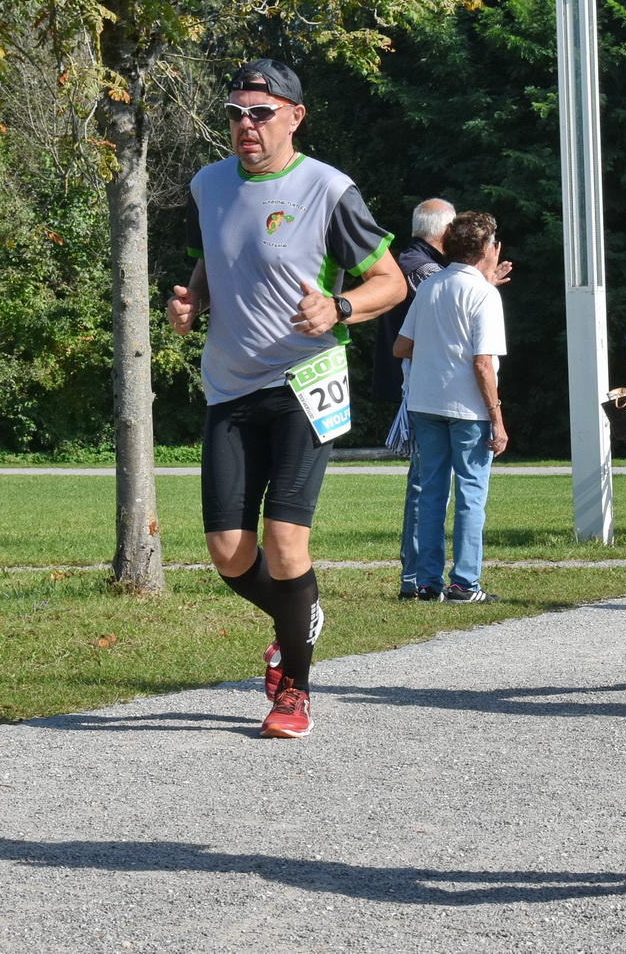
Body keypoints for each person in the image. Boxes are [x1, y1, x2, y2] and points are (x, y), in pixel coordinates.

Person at [167, 58, 407, 738]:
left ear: (295, 117)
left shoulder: (329, 190)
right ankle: (295, 614)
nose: (245, 125)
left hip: (307, 379)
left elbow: (391, 282)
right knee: (227, 551)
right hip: (231, 386)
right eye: (236, 112)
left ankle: (294, 690)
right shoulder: (208, 185)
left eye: (260, 113)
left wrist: (339, 305)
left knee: (284, 539)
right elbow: (213, 258)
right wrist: (192, 303)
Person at [393, 211, 509, 601]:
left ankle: (427, 581)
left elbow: (401, 346)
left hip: (425, 402)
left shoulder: (430, 286)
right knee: (471, 495)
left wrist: (437, 347)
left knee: (431, 494)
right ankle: (464, 581)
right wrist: (498, 418)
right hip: (469, 409)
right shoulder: (484, 294)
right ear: (487, 250)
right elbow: (482, 363)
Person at [373, 198, 456, 600]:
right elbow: (444, 323)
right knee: (425, 483)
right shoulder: (422, 269)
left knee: (426, 481)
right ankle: (415, 577)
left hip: (421, 385)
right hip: (423, 389)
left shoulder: (411, 262)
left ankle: (418, 574)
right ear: (444, 231)